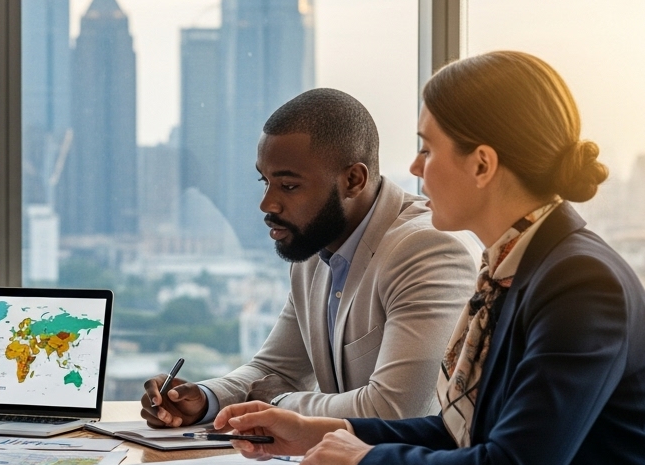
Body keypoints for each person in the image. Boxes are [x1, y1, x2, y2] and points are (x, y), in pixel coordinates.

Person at [218, 52, 645, 465]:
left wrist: (363, 461)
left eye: (427, 149)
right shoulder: (513, 268)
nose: (413, 169)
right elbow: (463, 433)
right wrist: (313, 432)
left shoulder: (579, 283)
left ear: (482, 164)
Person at [141, 89, 477, 425]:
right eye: (265, 181)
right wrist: (204, 399)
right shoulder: (316, 248)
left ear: (353, 180)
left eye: (288, 186)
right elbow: (276, 369)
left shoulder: (428, 250)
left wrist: (276, 403)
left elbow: (396, 411)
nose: (267, 204)